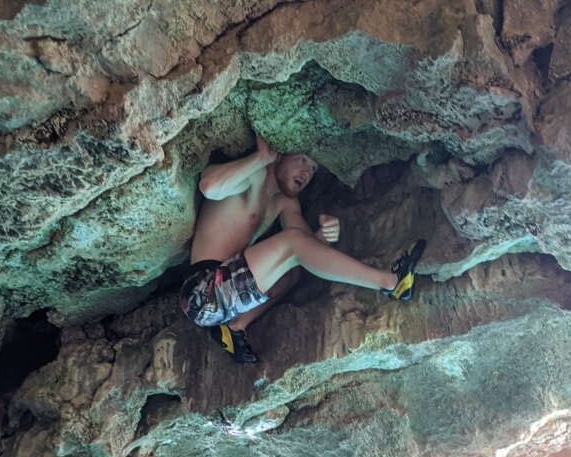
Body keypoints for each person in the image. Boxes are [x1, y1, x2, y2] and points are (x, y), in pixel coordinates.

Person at [179, 132, 426, 363]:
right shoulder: (253, 176)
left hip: (226, 296)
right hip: (202, 290)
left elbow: (308, 251)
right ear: (282, 153)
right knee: (292, 243)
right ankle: (391, 282)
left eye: (313, 168)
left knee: (292, 272)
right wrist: (260, 158)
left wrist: (326, 234)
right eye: (304, 160)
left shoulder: (286, 203)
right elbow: (208, 186)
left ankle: (234, 328)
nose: (307, 172)